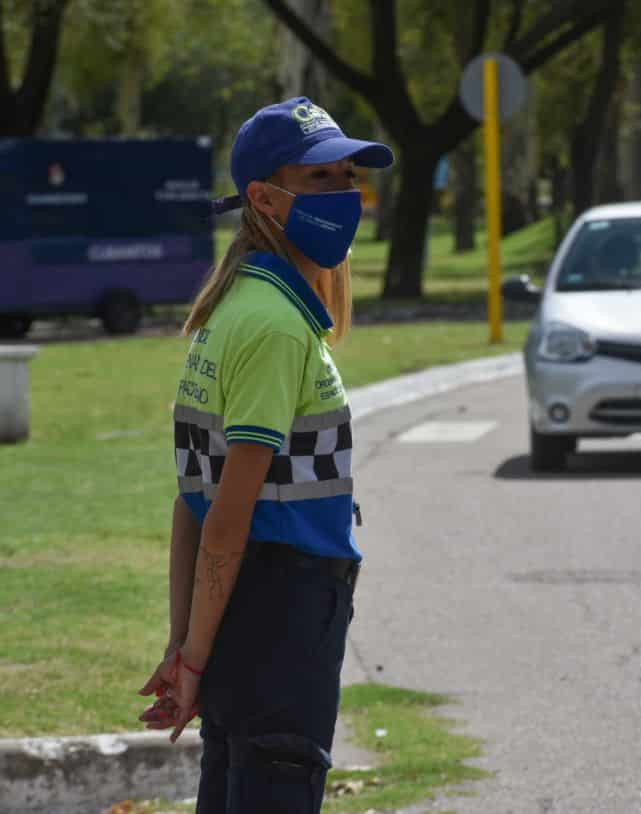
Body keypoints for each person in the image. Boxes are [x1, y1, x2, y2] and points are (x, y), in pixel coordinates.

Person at [136, 97, 393, 813]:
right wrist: (188, 654)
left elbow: (192, 501)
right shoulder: (275, 328)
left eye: (349, 177)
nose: (345, 195)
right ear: (263, 198)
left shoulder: (232, 312)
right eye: (321, 180)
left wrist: (188, 647)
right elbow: (223, 515)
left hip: (243, 620)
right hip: (282, 615)